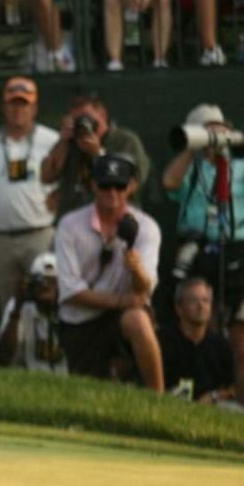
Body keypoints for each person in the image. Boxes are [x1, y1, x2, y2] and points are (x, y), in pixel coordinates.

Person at [161, 103, 244, 411]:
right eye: (207, 130)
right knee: (209, 337)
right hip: (203, 254)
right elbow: (169, 183)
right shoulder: (191, 165)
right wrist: (194, 147)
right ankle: (210, 406)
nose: (216, 136)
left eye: (220, 128)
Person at [55, 152, 164, 390]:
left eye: (119, 185)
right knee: (85, 392)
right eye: (105, 185)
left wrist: (136, 270)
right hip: (80, 319)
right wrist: (120, 300)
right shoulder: (70, 225)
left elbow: (144, 291)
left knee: (139, 319)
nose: (112, 193)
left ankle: (159, 399)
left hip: (122, 316)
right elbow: (70, 291)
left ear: (132, 186)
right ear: (93, 184)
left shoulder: (146, 227)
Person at [0, 76, 59, 308]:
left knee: (47, 303)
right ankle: (16, 346)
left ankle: (47, 346)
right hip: (0, 240)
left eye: (23, 104)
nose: (18, 110)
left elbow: (70, 180)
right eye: (13, 103)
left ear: (34, 108)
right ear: (4, 107)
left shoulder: (52, 140)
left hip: (40, 236)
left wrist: (60, 196)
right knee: (10, 307)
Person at [159, 276, 237, 404]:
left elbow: (233, 388)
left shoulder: (221, 346)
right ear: (179, 308)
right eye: (193, 301)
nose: (201, 306)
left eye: (205, 301)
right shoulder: (163, 341)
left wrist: (213, 396)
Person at [0, 252, 68, 373]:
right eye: (42, 281)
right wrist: (17, 309)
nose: (47, 287)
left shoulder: (72, 309)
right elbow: (3, 355)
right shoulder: (20, 305)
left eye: (52, 282)